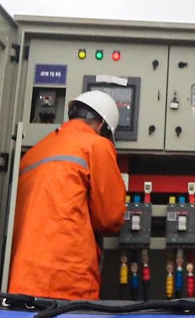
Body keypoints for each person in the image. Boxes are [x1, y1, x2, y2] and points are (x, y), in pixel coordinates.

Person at [7, 89, 126, 299]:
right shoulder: (98, 145)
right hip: (66, 280)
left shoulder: (33, 153)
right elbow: (110, 219)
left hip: (22, 278)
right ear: (102, 126)